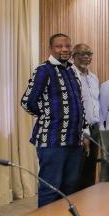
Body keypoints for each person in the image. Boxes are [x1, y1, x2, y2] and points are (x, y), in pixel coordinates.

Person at [21, 33, 86, 207]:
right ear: (51, 49)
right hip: (52, 141)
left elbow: (79, 104)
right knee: (50, 188)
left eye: (67, 45)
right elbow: (27, 102)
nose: (64, 49)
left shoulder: (72, 70)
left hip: (74, 141)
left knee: (70, 188)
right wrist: (49, 116)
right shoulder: (44, 70)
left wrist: (83, 133)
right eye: (59, 46)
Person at [71, 43, 102, 187]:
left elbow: (96, 104)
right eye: (83, 54)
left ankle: (88, 203)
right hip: (78, 129)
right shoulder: (70, 76)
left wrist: (100, 128)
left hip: (94, 128)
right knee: (77, 169)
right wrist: (84, 132)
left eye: (90, 54)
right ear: (74, 56)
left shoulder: (94, 78)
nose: (87, 57)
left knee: (91, 168)